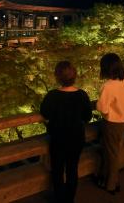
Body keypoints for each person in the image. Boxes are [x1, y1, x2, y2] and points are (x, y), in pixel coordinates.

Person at [40, 61, 92, 202]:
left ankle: (58, 198)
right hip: (76, 138)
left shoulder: (52, 96)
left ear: (57, 77)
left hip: (58, 138)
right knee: (72, 169)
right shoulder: (82, 95)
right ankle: (70, 198)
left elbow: (44, 113)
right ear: (74, 76)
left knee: (57, 170)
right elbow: (87, 117)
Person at [96, 53, 124, 194]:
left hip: (112, 123)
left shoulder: (108, 86)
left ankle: (112, 184)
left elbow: (102, 108)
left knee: (112, 154)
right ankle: (104, 178)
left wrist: (103, 109)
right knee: (113, 150)